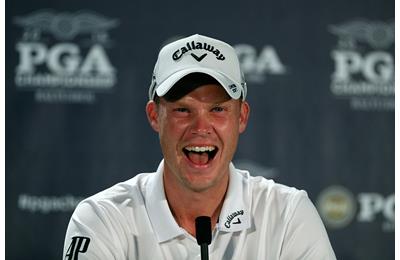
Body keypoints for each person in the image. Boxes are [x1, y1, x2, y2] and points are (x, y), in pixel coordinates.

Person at [63, 34, 336, 260]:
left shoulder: (288, 215)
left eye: (217, 109)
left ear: (241, 117)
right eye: (183, 109)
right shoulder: (102, 218)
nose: (200, 128)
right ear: (155, 116)